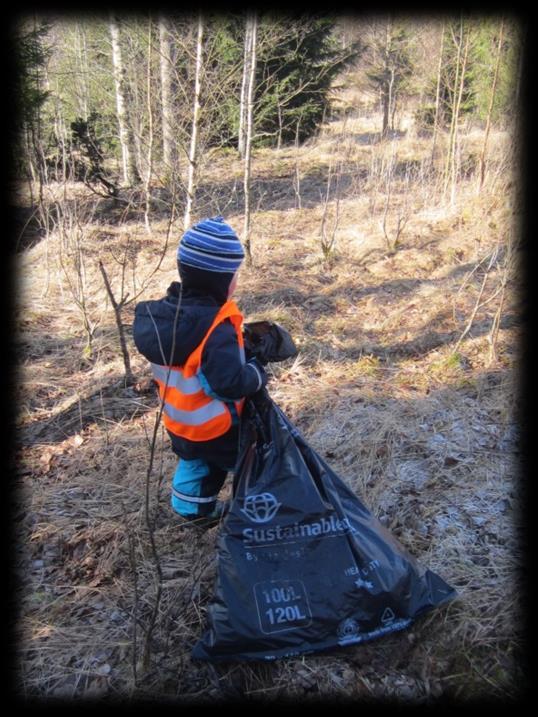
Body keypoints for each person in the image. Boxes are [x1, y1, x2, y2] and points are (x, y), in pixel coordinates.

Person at [133, 216, 267, 528]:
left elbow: (193, 365)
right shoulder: (215, 326)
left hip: (179, 423)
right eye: (234, 275)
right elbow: (229, 383)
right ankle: (256, 512)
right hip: (218, 429)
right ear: (223, 281)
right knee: (252, 464)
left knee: (193, 464)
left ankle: (190, 511)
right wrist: (256, 370)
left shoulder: (161, 319)